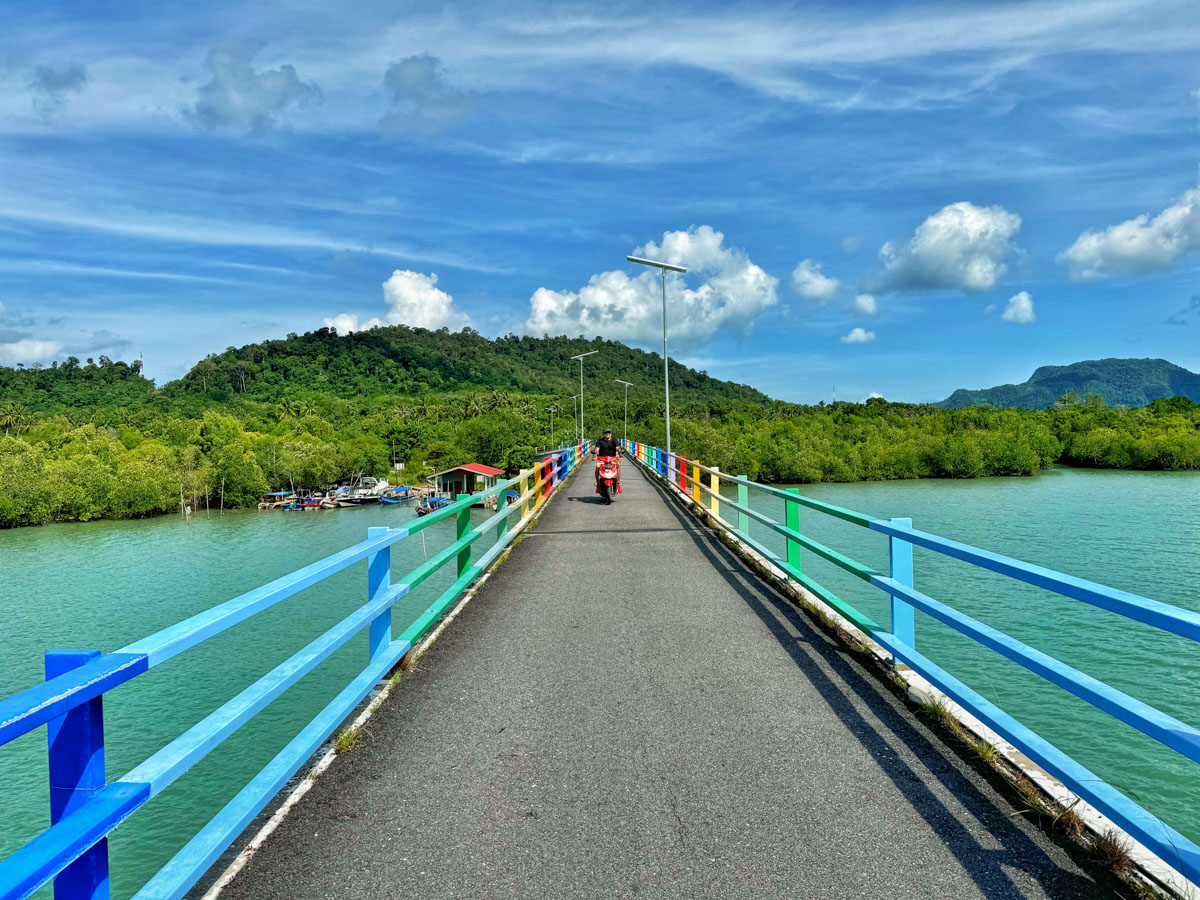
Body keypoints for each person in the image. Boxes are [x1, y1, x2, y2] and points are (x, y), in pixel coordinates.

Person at [593, 428, 621, 494]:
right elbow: (596, 449)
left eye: (609, 433)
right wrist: (594, 456)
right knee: (597, 469)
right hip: (602, 458)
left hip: (612, 458)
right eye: (606, 433)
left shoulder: (614, 440)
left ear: (611, 433)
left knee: (617, 468)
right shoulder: (600, 441)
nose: (607, 434)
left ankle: (618, 484)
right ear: (603, 434)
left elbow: (618, 448)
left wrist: (621, 455)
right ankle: (598, 484)